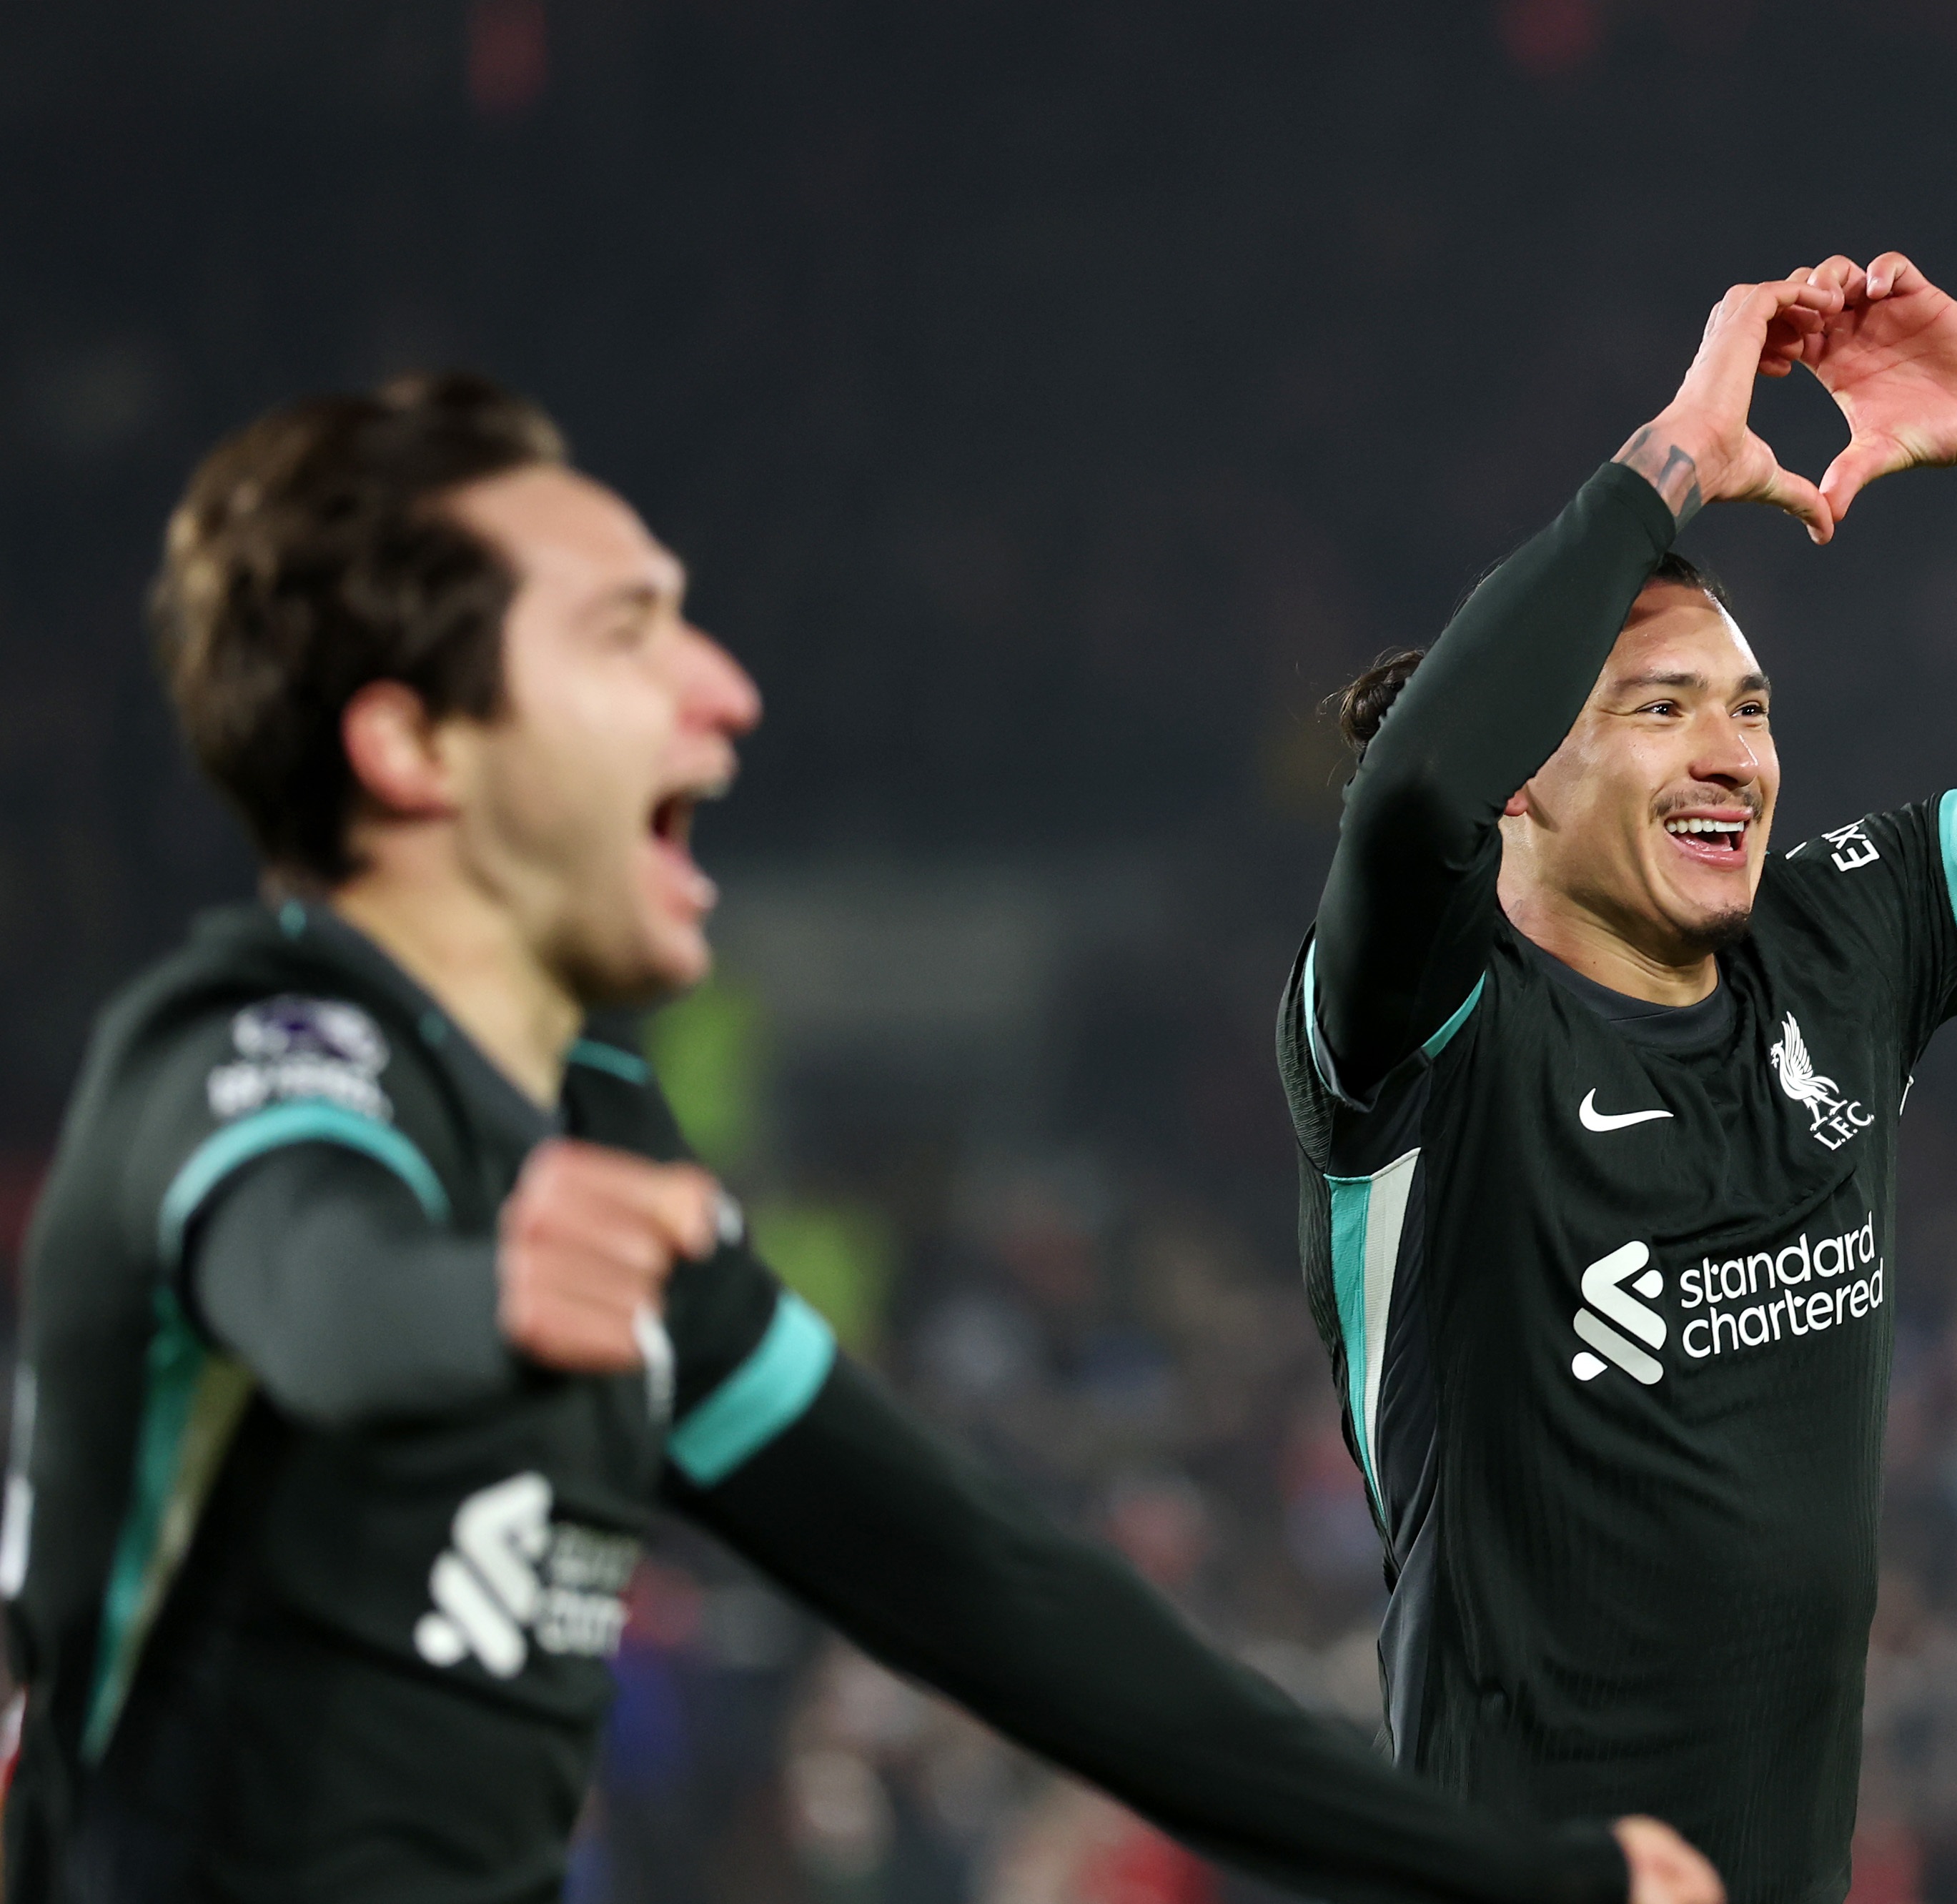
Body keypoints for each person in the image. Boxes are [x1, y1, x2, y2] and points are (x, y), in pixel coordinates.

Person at [0, 374, 1725, 1904]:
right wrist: (480, 1300)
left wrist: (1512, 1868)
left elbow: (997, 1596)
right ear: (408, 745)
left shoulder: (598, 1144)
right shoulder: (248, 1052)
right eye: (623, 635)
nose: (725, 691)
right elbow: (307, 1265)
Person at [1274, 251, 1957, 1904]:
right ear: (1521, 785)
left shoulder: (1845, 940)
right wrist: (1669, 462)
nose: (1732, 753)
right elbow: (1405, 809)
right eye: (1658, 707)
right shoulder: (1425, 1043)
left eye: (1751, 707)